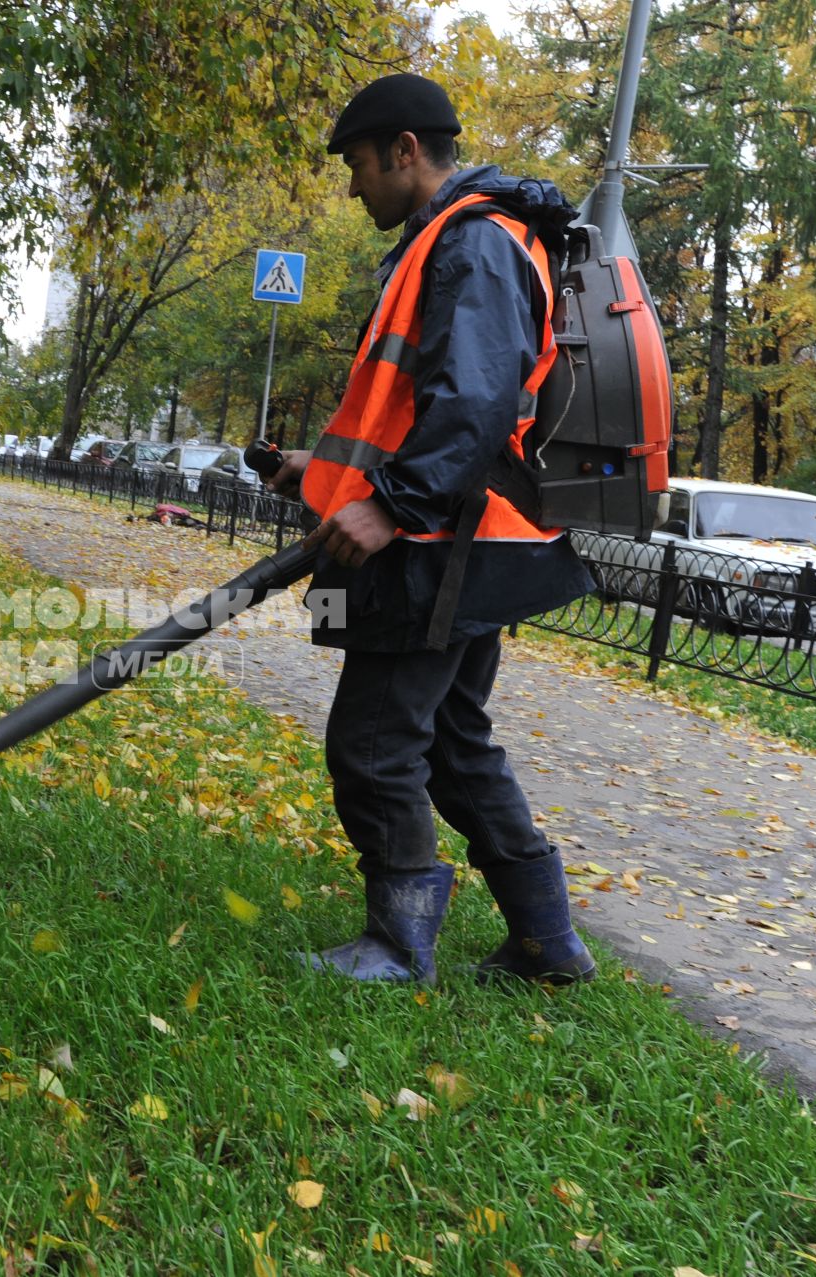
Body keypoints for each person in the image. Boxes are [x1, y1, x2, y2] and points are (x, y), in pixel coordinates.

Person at [265, 73, 596, 985]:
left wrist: (390, 505)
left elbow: (477, 402)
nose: (353, 186)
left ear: (406, 152)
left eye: (359, 166)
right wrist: (325, 473)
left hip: (437, 546)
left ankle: (400, 942)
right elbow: (409, 408)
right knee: (453, 744)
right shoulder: (448, 243)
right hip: (466, 541)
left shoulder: (474, 244)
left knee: (373, 745)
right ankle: (547, 940)